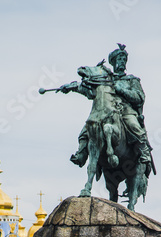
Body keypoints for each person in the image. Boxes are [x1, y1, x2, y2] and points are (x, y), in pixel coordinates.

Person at [60, 44, 155, 178]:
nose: (122, 62)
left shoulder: (132, 80)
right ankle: (81, 154)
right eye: (119, 59)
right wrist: (71, 88)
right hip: (105, 110)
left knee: (134, 126)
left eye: (124, 59)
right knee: (86, 130)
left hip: (125, 110)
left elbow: (140, 97)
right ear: (113, 62)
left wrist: (121, 90)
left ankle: (144, 153)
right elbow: (89, 90)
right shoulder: (105, 78)